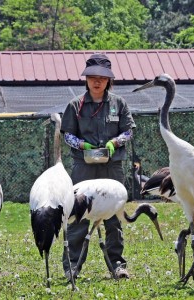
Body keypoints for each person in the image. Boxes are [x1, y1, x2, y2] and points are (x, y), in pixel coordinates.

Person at [61, 53, 136, 280]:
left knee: (114, 215)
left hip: (112, 167)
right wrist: (81, 144)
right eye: (92, 77)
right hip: (83, 166)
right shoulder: (75, 105)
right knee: (78, 215)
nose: (97, 81)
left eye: (102, 78)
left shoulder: (119, 104)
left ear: (108, 81)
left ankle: (117, 265)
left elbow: (129, 131)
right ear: (86, 79)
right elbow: (67, 135)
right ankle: (72, 266)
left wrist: (116, 142)